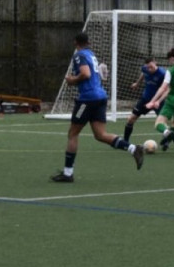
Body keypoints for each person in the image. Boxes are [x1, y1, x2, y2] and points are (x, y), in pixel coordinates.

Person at [51, 32, 144, 183]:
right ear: (88, 42)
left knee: (73, 134)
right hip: (100, 97)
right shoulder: (91, 55)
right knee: (100, 135)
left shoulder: (79, 55)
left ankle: (68, 174)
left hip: (88, 99)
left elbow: (86, 74)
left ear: (75, 42)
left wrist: (72, 80)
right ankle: (133, 149)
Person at [124, 58, 167, 141]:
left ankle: (173, 141)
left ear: (155, 63)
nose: (149, 69)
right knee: (131, 119)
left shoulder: (162, 74)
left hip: (158, 101)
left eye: (151, 67)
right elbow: (143, 73)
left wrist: (159, 100)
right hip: (145, 99)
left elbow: (166, 88)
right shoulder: (145, 69)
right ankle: (125, 141)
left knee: (162, 123)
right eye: (148, 67)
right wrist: (137, 83)